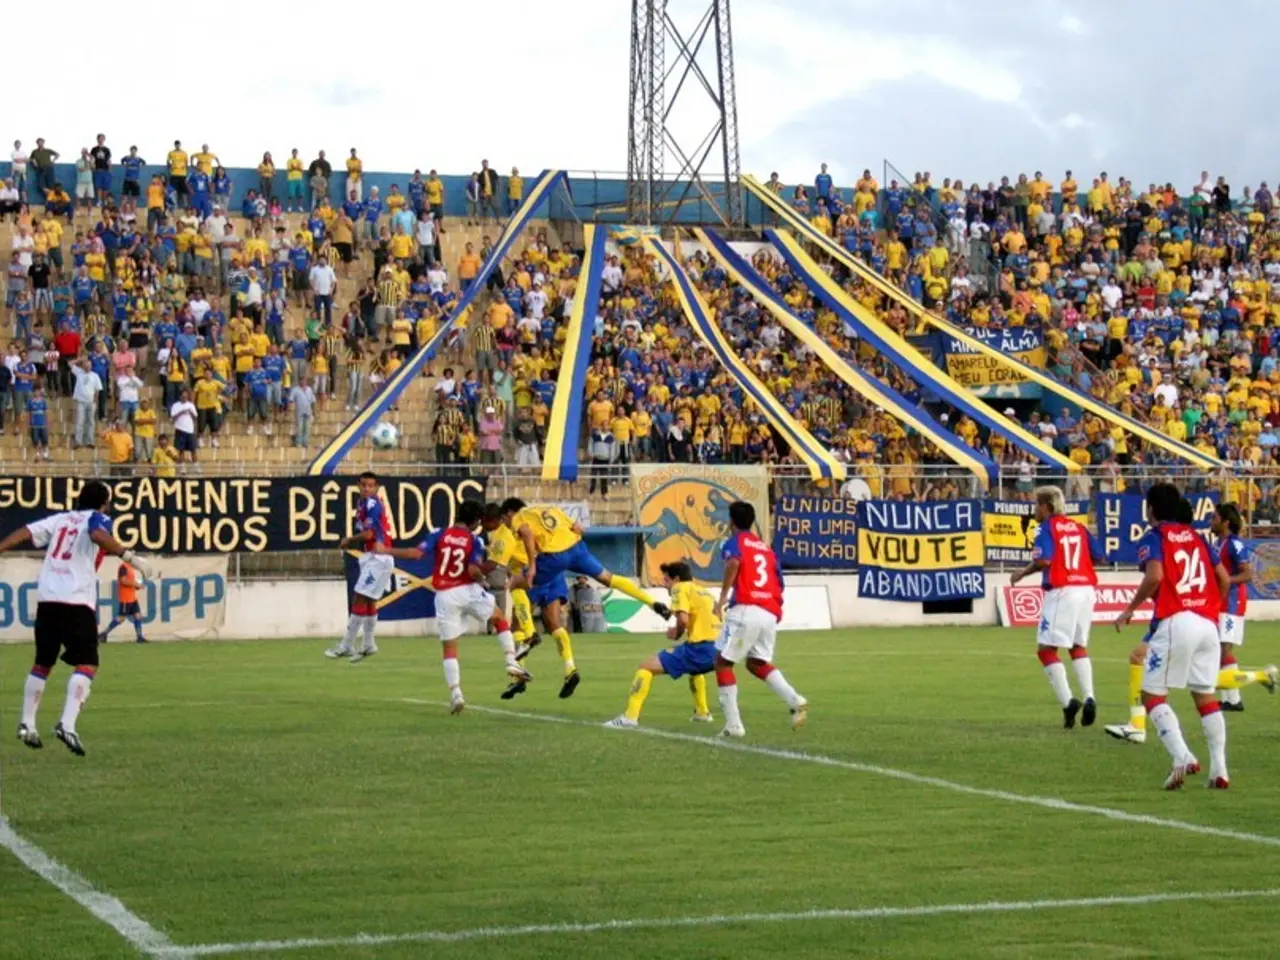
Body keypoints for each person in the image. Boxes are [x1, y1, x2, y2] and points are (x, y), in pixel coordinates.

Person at [0, 480, 153, 756]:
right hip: (76, 600)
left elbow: (24, 532)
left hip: (48, 598)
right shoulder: (98, 518)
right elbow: (96, 533)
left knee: (42, 663)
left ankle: (26, 723)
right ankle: (67, 725)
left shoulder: (60, 519)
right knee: (87, 663)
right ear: (104, 503)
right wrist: (129, 556)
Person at [1104, 500, 1277, 745]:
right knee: (1210, 667)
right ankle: (1245, 689)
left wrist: (1213, 598)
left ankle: (1251, 683)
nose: (1210, 521)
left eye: (1214, 517)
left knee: (1206, 670)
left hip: (1219, 607)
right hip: (1198, 611)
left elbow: (1242, 575)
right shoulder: (1211, 543)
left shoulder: (1231, 543)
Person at [1115, 484, 1229, 790]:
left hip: (1177, 621)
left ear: (1150, 509)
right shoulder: (1198, 537)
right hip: (1207, 624)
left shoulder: (1155, 536)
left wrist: (1128, 610)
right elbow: (1224, 578)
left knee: (1152, 695)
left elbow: (1155, 576)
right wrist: (1211, 608)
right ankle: (1219, 770)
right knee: (1205, 697)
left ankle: (1182, 757)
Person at [500, 498, 672, 698]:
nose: (506, 524)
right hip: (576, 548)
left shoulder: (518, 519)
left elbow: (525, 536)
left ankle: (527, 644)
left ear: (508, 513)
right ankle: (652, 603)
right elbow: (578, 528)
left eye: (504, 519)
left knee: (513, 586)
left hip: (551, 560)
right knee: (608, 578)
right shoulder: (550, 509)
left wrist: (531, 566)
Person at [374, 499, 530, 715]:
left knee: (450, 648)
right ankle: (510, 661)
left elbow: (416, 553)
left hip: (445, 595)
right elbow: (474, 569)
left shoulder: (439, 533)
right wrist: (481, 579)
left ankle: (456, 693)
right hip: (467, 589)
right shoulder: (474, 541)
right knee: (499, 618)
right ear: (476, 520)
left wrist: (385, 549)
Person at [1008, 486, 1104, 728]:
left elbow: (1044, 560)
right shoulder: (1079, 527)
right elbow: (1100, 556)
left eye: (1036, 505)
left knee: (1046, 650)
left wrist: (1022, 572)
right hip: (1086, 590)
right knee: (1077, 646)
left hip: (1063, 590)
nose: (1034, 509)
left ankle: (1068, 702)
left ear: (1046, 507)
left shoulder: (1046, 527)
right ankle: (1090, 696)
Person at [713, 500, 807, 738]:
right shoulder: (766, 548)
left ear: (731, 522)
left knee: (723, 663)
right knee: (756, 663)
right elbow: (779, 581)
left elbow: (733, 561)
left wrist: (723, 596)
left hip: (746, 607)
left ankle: (734, 726)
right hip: (768, 611)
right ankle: (795, 700)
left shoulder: (735, 542)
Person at [606, 561, 716, 728]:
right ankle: (702, 712)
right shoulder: (704, 592)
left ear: (676, 579)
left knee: (646, 666)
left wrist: (676, 632)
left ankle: (630, 717)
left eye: (667, 580)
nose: (665, 584)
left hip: (701, 648)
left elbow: (683, 620)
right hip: (720, 649)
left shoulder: (680, 588)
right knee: (695, 669)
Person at [328, 472, 391, 662]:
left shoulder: (372, 504)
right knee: (370, 599)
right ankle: (368, 644)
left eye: (370, 486)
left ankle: (347, 644)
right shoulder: (362, 504)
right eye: (363, 485)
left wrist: (349, 540)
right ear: (358, 485)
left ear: (376, 487)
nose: (366, 489)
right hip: (378, 557)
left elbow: (370, 534)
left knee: (359, 597)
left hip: (377, 557)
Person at [99, 561, 147, 644]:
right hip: (126, 598)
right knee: (121, 618)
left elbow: (130, 582)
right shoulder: (123, 567)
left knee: (138, 615)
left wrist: (137, 586)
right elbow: (123, 581)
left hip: (132, 597)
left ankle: (139, 637)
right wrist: (136, 584)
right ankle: (104, 633)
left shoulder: (130, 568)